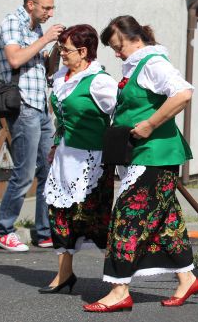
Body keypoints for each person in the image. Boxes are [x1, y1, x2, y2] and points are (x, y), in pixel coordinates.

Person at [84, 15, 198, 312]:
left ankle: (119, 289)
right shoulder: (137, 66)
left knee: (126, 216)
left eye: (117, 46)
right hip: (144, 155)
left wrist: (150, 123)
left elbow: (184, 93)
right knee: (164, 221)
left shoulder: (152, 63)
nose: (116, 53)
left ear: (132, 37)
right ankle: (187, 278)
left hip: (156, 154)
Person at [39, 25, 117, 294]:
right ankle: (64, 274)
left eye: (66, 49)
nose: (61, 54)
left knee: (97, 220)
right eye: (60, 48)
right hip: (64, 157)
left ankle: (116, 282)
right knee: (59, 215)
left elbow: (122, 113)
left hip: (91, 161)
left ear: (83, 52)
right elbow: (61, 117)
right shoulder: (63, 76)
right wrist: (55, 144)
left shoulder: (99, 81)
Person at [0, 0, 63, 252]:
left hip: (40, 105)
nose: (50, 12)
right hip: (22, 104)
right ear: (30, 4)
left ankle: (44, 232)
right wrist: (45, 39)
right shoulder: (13, 22)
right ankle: (2, 230)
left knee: (48, 170)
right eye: (46, 7)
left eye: (52, 8)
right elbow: (14, 59)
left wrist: (55, 48)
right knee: (24, 172)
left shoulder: (36, 30)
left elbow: (47, 70)